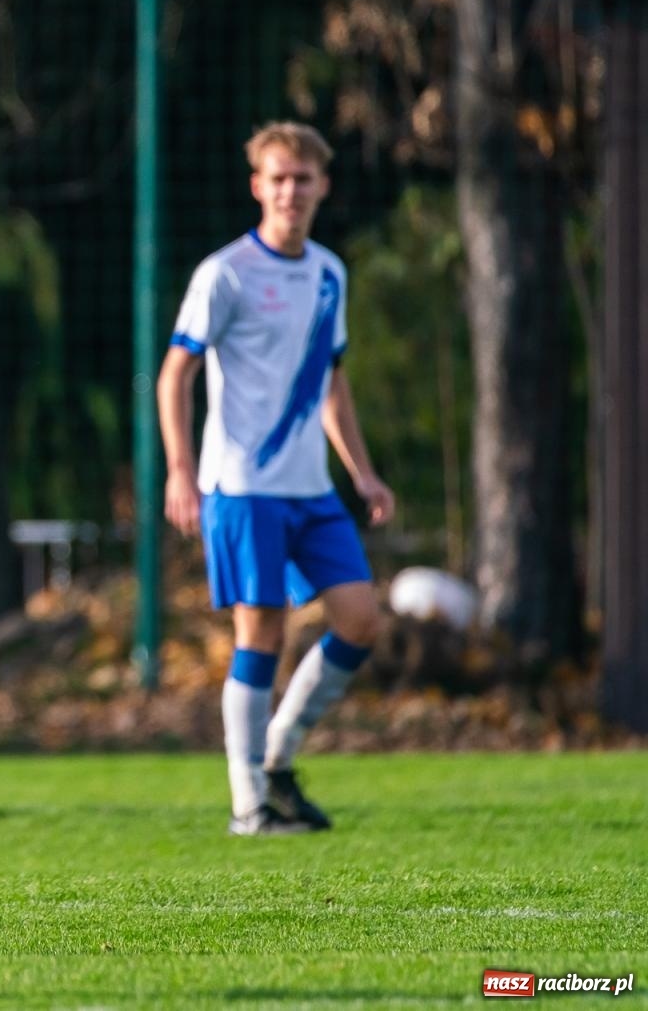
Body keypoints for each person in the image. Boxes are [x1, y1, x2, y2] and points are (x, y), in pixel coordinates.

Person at [156, 121, 396, 836]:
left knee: (360, 620)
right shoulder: (225, 272)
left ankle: (278, 757)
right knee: (260, 633)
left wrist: (363, 473)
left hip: (312, 489)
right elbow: (176, 374)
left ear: (323, 186)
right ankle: (249, 804)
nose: (291, 190)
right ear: (257, 185)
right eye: (279, 178)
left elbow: (332, 385)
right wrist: (179, 470)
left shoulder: (329, 274)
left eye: (304, 178)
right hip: (243, 486)